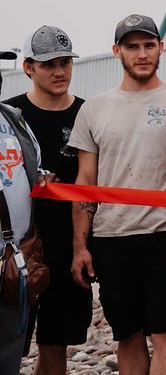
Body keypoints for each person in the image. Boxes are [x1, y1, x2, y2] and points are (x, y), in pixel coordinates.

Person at [68, 14, 166, 375]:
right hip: (112, 237)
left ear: (161, 48)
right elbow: (85, 180)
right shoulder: (94, 108)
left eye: (149, 45)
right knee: (128, 335)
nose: (142, 54)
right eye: (132, 46)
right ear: (117, 51)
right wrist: (81, 245)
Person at [5, 26, 89, 375]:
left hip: (68, 244)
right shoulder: (9, 118)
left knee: (55, 346)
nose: (59, 72)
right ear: (28, 68)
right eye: (49, 64)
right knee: (9, 344)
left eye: (65, 63)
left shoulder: (88, 113)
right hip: (18, 246)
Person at [0, 50, 46, 375]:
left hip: (15, 264)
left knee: (9, 357)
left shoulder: (12, 118)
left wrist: (43, 180)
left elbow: (32, 168)